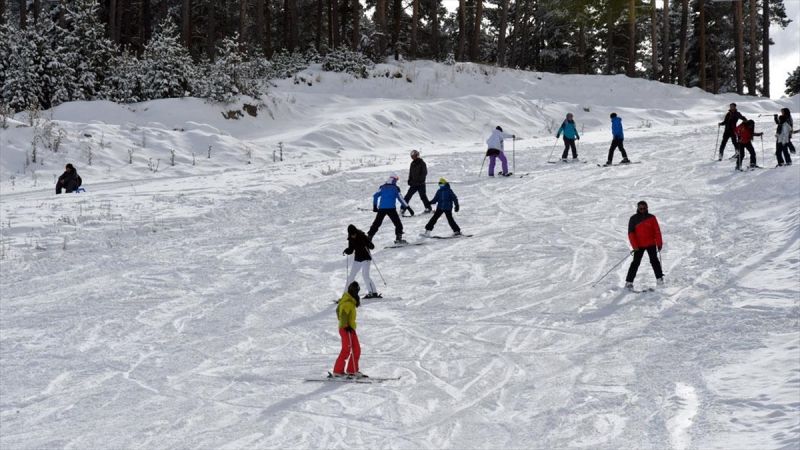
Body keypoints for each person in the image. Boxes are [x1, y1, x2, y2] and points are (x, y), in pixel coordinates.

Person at [625, 201, 664, 290]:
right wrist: (634, 246)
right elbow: (631, 234)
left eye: (644, 208)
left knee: (654, 261)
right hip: (639, 245)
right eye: (640, 208)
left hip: (651, 243)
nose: (642, 210)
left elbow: (657, 231)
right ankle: (629, 282)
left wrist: (659, 243)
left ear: (647, 208)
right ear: (638, 208)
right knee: (635, 263)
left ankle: (659, 279)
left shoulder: (652, 218)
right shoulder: (633, 219)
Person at [332, 281, 366, 378]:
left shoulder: (350, 301)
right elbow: (342, 314)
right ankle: (337, 371)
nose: (356, 292)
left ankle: (352, 370)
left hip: (350, 328)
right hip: (345, 329)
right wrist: (345, 326)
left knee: (356, 349)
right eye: (355, 290)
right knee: (346, 349)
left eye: (357, 290)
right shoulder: (347, 301)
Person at [367, 174, 410, 244]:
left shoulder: (382, 187)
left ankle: (369, 238)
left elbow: (375, 196)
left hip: (382, 209)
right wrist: (407, 207)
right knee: (398, 224)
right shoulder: (396, 188)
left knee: (376, 224)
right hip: (391, 209)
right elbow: (400, 198)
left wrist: (375, 206)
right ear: (394, 180)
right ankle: (398, 239)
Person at [343, 224, 380, 299]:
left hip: (366, 258)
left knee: (365, 275)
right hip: (357, 259)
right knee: (351, 277)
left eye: (354, 234)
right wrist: (347, 250)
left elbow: (372, 247)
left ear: (356, 232)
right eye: (351, 234)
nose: (353, 236)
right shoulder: (350, 238)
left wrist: (368, 243)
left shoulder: (362, 236)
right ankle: (345, 295)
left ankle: (373, 292)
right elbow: (351, 249)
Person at [401, 150, 432, 216]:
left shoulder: (422, 163)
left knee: (423, 196)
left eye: (414, 156)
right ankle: (402, 209)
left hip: (421, 184)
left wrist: (420, 181)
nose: (413, 157)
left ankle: (428, 208)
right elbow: (411, 173)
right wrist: (409, 180)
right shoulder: (412, 164)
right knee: (407, 196)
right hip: (413, 184)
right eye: (412, 156)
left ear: (417, 155)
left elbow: (424, 173)